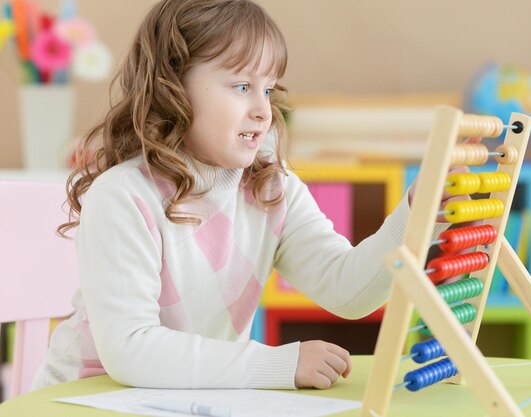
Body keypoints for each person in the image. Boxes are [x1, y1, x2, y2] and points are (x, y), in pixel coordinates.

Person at [33, 0, 469, 391]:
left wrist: (419, 213)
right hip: (81, 398)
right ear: (173, 86)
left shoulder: (272, 191)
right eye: (242, 86)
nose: (263, 109)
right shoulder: (124, 198)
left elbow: (349, 290)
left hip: (181, 399)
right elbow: (131, 348)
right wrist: (276, 364)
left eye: (268, 89)